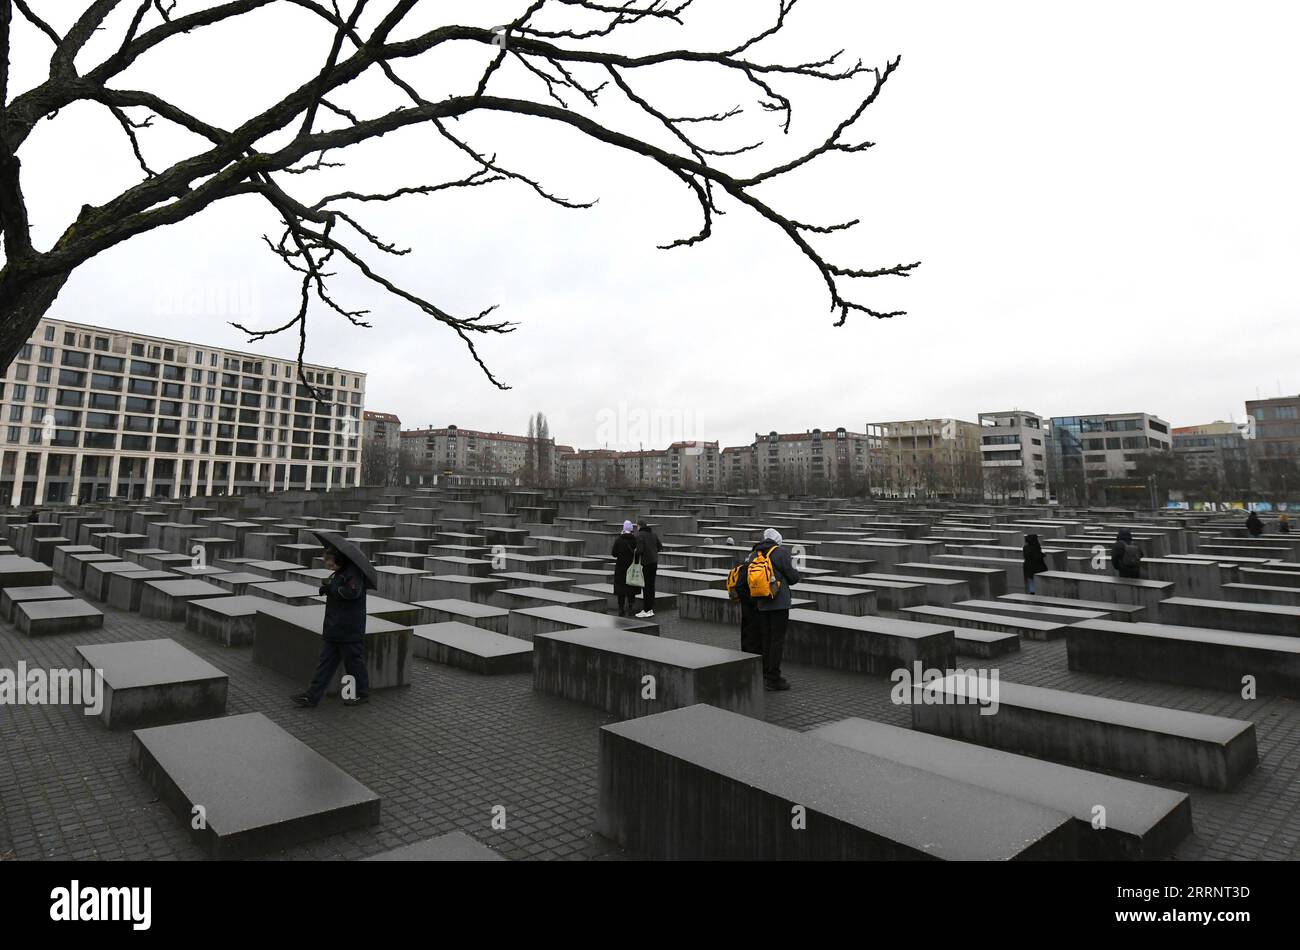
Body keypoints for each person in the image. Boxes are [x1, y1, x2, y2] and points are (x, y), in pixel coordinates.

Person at [291, 544, 369, 708]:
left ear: (340, 560)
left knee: (354, 665)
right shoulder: (340, 572)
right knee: (325, 664)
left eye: (332, 564)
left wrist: (332, 588)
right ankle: (311, 696)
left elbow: (351, 593)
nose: (330, 567)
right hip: (334, 627)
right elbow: (336, 587)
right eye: (328, 565)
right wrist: (328, 586)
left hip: (349, 629)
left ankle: (362, 694)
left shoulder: (354, 573)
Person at [750, 527, 802, 691]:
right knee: (777, 640)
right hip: (779, 603)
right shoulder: (780, 553)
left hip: (762, 602)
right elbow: (793, 577)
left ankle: (766, 673)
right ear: (778, 540)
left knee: (766, 638)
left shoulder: (754, 554)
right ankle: (774, 678)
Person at [634, 520, 663, 618]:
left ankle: (646, 610)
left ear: (639, 526)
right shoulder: (653, 534)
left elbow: (639, 550)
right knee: (651, 586)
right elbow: (660, 547)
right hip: (654, 562)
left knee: (646, 586)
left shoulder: (639, 535)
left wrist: (635, 552)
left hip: (645, 563)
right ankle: (650, 609)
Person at [611, 520, 639, 617]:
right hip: (632, 566)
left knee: (621, 589)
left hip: (621, 568)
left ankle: (621, 608)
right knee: (631, 587)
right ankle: (631, 607)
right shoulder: (635, 540)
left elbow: (614, 554)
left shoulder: (619, 540)